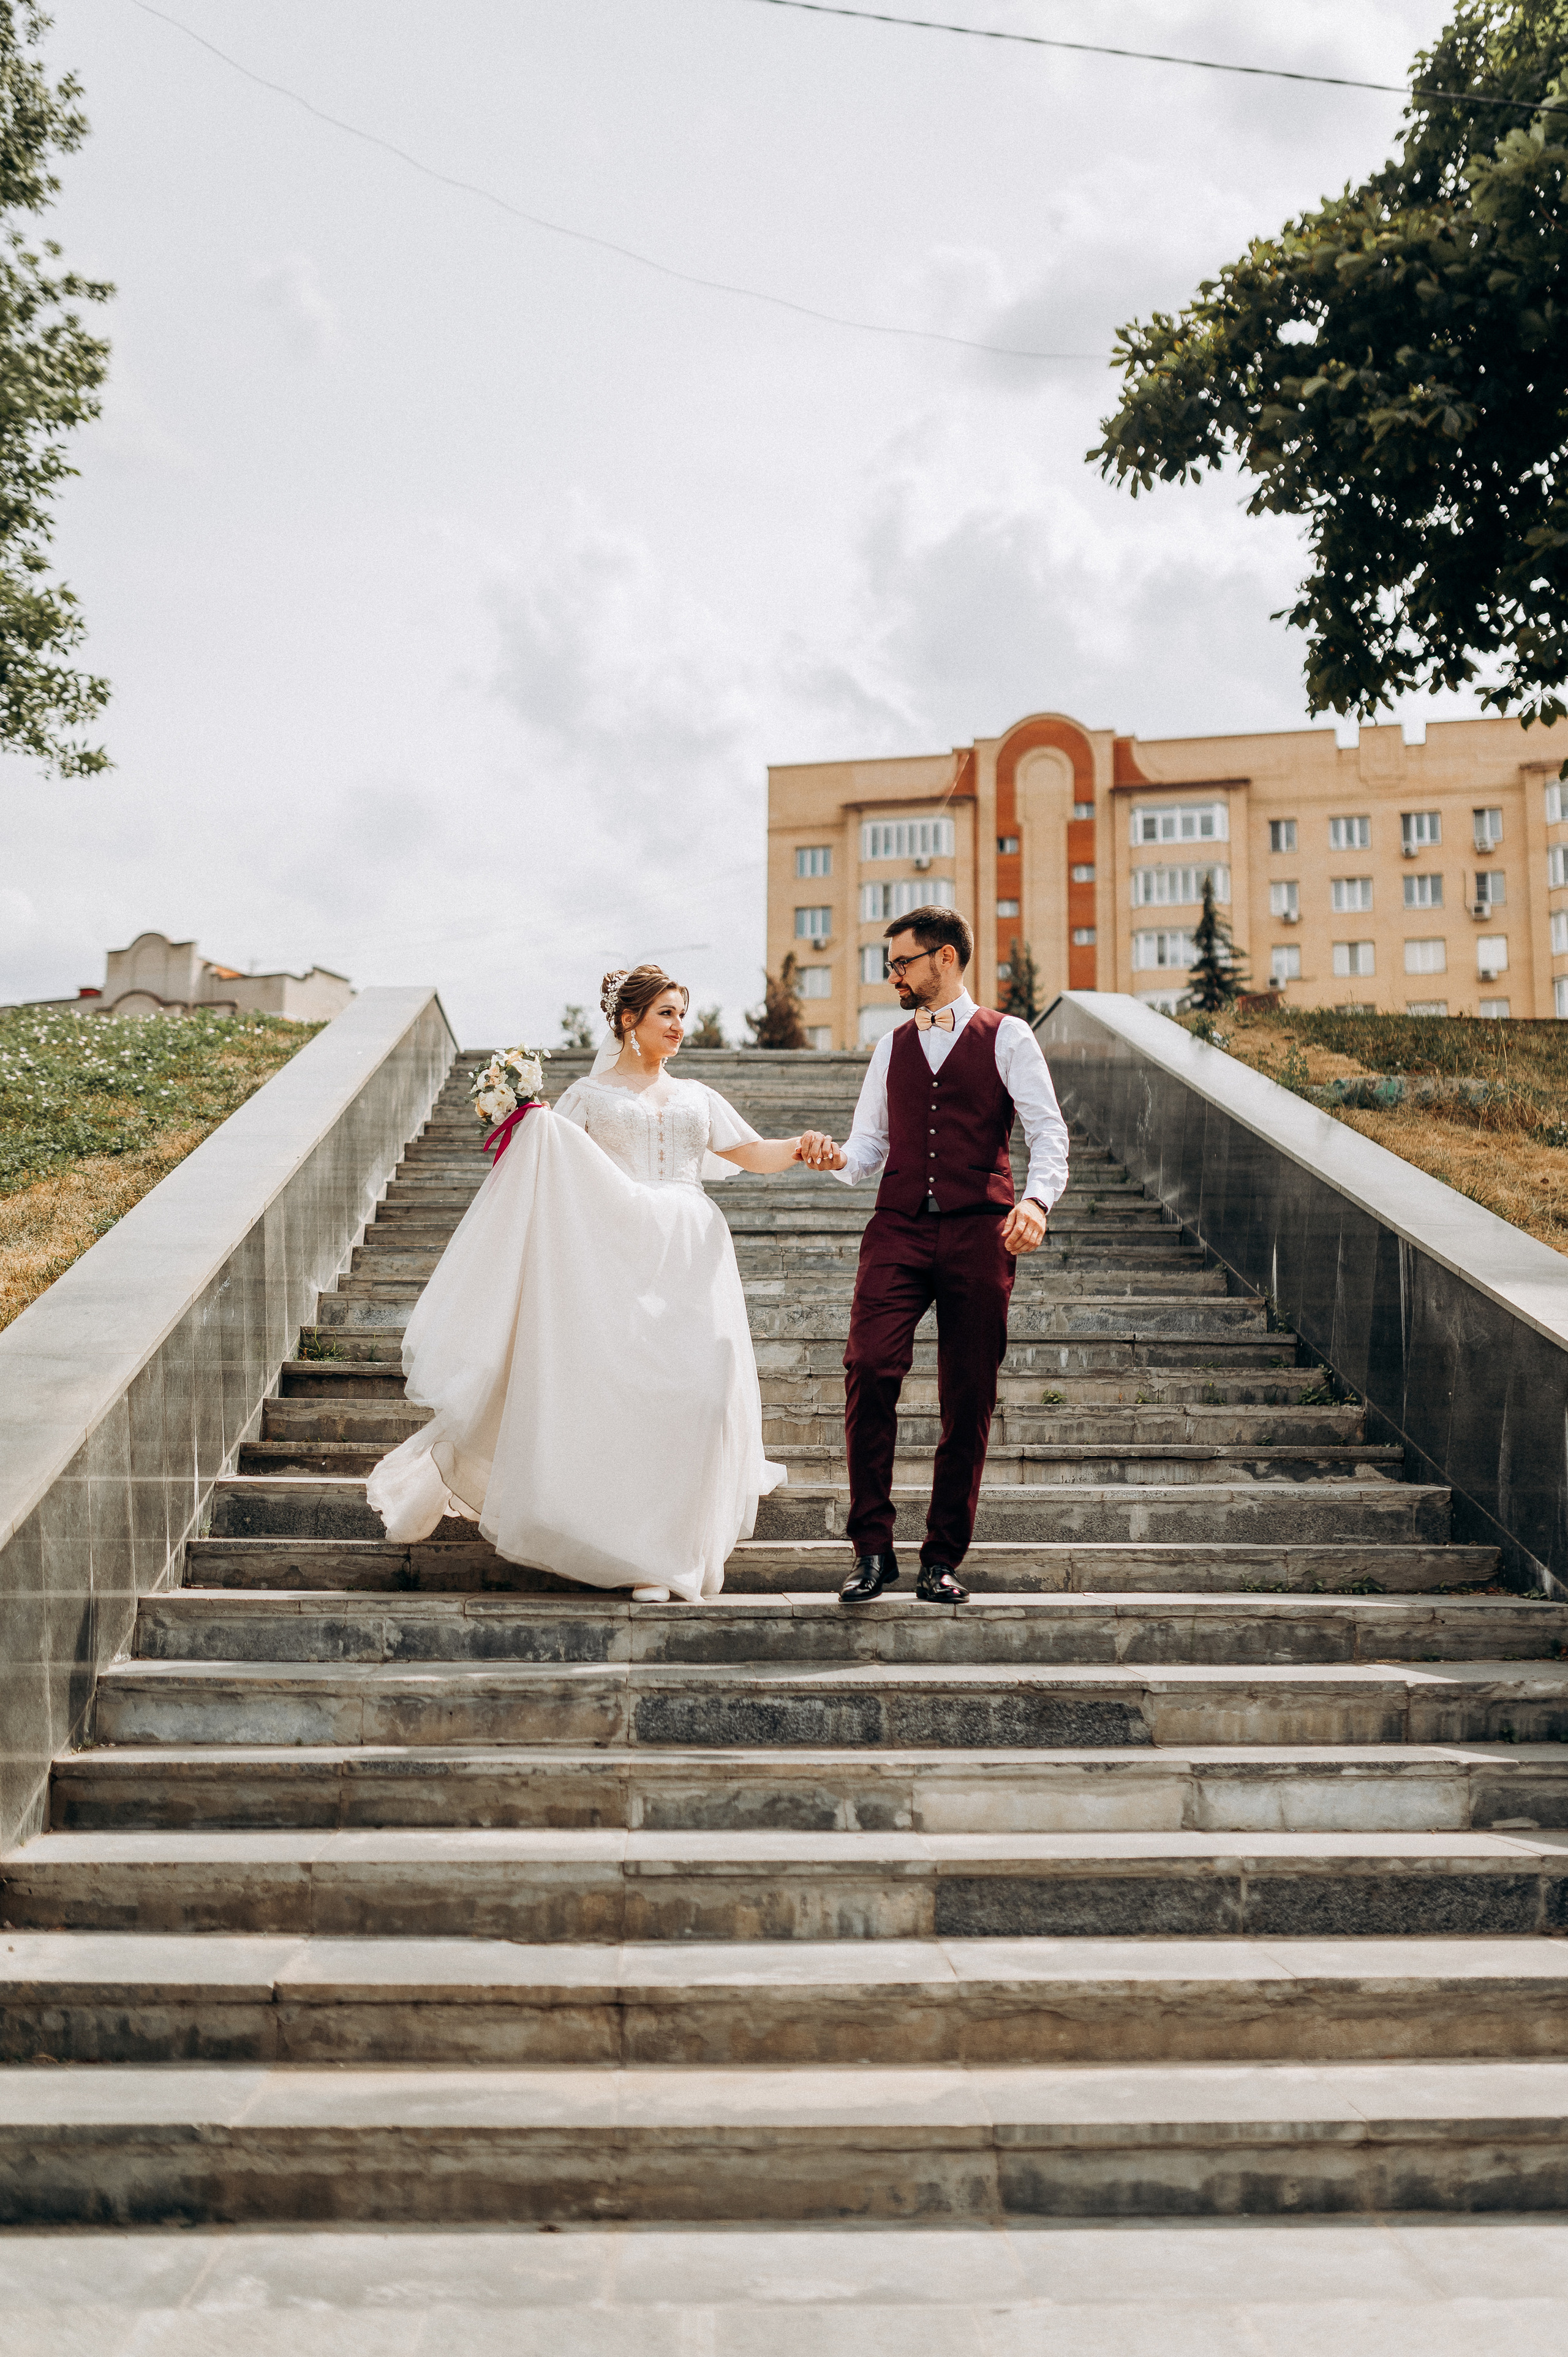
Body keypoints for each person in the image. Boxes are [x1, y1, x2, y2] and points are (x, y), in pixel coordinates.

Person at [365, 964, 841, 1603]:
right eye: (666, 1013)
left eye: (681, 1013)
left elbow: (752, 1154)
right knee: (629, 1398)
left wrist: (802, 1145)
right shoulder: (588, 1097)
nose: (679, 1025)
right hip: (615, 1255)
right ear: (628, 1020)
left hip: (692, 1255)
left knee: (701, 1394)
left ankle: (678, 1545)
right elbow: (547, 1173)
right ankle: (645, 1559)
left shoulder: (698, 1095)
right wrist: (525, 1122)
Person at [809, 907, 1071, 1606]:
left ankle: (940, 1557)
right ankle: (871, 1550)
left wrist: (1037, 1203)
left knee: (968, 1394)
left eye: (901, 962)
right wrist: (836, 1156)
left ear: (946, 959)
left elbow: (1048, 1133)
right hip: (898, 1227)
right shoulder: (889, 1046)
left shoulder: (1008, 1036)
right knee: (868, 1364)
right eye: (890, 963)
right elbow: (868, 1147)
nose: (891, 973)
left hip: (979, 1229)